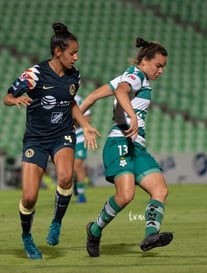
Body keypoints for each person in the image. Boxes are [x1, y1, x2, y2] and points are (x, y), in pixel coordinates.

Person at [3, 22, 100, 260]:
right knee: (29, 196)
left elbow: (71, 102)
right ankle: (27, 237)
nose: (76, 57)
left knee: (67, 176)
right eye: (72, 53)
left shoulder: (74, 76)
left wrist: (86, 125)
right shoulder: (34, 74)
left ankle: (56, 222)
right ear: (58, 52)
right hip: (35, 139)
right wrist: (15, 101)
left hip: (62, 134)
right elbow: (7, 96)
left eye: (77, 52)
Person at [80, 37, 173, 257]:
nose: (161, 71)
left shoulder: (131, 76)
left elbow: (93, 95)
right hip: (119, 141)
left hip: (136, 146)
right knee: (125, 195)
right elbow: (121, 92)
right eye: (158, 65)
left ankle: (151, 234)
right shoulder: (136, 75)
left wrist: (79, 117)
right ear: (145, 61)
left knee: (160, 190)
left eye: (163, 67)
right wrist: (131, 116)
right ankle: (94, 230)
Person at [73, 94, 91, 203]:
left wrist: (74, 117)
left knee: (77, 166)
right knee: (69, 169)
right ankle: (76, 184)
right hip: (66, 139)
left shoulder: (78, 99)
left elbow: (88, 118)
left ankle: (81, 195)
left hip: (79, 138)